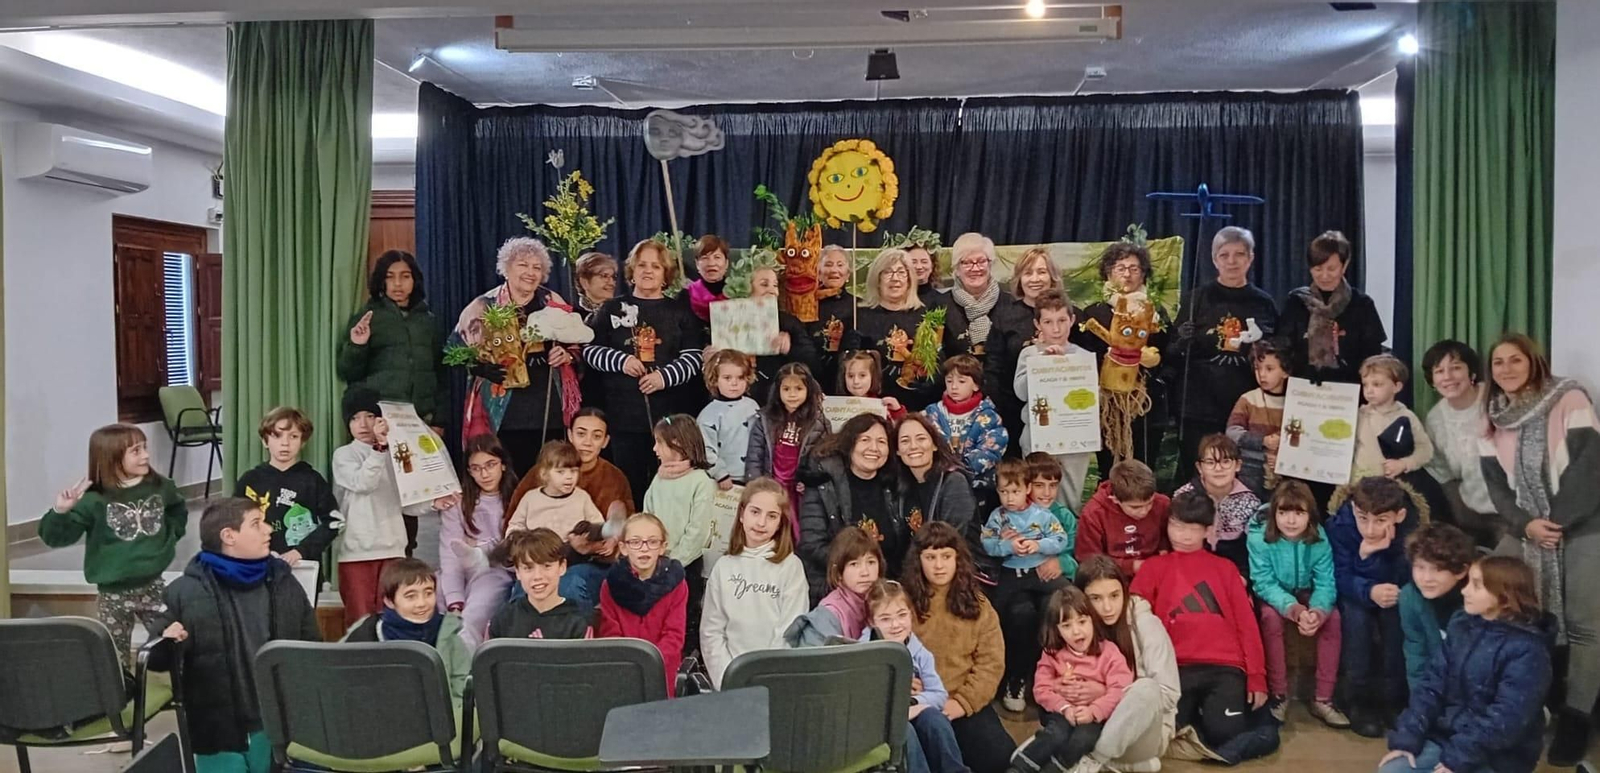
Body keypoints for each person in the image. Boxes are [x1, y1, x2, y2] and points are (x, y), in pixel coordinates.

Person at [1477, 332, 1600, 765]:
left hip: (1583, 521)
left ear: (1534, 362)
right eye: (1498, 363)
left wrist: (1557, 524)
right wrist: (1527, 526)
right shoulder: (1491, 416)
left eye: (1515, 360)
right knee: (1494, 588)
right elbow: (1496, 486)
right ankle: (1525, 698)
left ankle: (1576, 717)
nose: (1506, 369)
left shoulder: (1569, 399)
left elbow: (1589, 467)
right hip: (1528, 524)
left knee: (1586, 622)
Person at [149, 498, 321, 773]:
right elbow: (155, 658)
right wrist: (168, 640)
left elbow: (313, 648)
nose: (268, 530)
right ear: (228, 536)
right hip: (216, 726)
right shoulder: (185, 591)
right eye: (256, 524)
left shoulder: (284, 584)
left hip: (276, 722)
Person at [1380, 557, 1553, 773]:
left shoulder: (1528, 650)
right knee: (1393, 770)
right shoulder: (1461, 625)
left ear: (1504, 596)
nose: (1464, 591)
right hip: (1446, 737)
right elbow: (1431, 686)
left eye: (1476, 585)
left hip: (1499, 756)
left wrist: (1458, 758)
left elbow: (1506, 719)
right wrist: (1407, 737)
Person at [1130, 490, 1267, 757]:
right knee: (1159, 730)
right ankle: (1193, 722)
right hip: (1174, 667)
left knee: (1225, 734)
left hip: (1225, 666)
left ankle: (1208, 725)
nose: (1182, 536)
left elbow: (1246, 624)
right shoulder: (1153, 568)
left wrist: (1256, 677)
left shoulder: (1225, 569)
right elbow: (1135, 621)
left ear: (1207, 531)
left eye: (1192, 529)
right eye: (1176, 526)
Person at [40, 424, 186, 669]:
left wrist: (168, 539)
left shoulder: (161, 486)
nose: (146, 456)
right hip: (113, 595)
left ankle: (180, 691)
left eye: (145, 448)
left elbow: (177, 510)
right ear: (112, 457)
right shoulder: (93, 500)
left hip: (154, 587)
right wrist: (60, 512)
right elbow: (56, 537)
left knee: (173, 643)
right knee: (114, 658)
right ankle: (119, 700)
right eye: (136, 451)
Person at [584, 239, 708, 502]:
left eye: (655, 266)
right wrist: (621, 361)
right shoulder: (610, 309)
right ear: (632, 270)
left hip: (669, 419)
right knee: (630, 487)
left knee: (670, 489)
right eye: (642, 265)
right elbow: (589, 350)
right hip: (623, 418)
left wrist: (664, 377)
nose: (648, 271)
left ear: (666, 273)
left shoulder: (680, 311)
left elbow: (694, 357)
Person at [450, 237, 581, 474]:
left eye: (537, 267)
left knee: (547, 473)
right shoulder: (483, 305)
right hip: (502, 409)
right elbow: (453, 351)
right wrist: (479, 367)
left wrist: (567, 355)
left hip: (547, 406)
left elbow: (577, 344)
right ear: (506, 268)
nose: (530, 272)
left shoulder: (552, 302)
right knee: (505, 475)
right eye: (522, 265)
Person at [1165, 227, 1279, 476]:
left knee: (1244, 475)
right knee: (1198, 474)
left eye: (1239, 254)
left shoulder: (1263, 303)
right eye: (1224, 254)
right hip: (1198, 407)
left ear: (1251, 258)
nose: (1232, 261)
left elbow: (1276, 356)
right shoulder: (1196, 298)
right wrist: (1182, 340)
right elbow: (1171, 352)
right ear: (1214, 259)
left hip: (1246, 407)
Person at [904, 523, 1015, 773]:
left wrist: (963, 703)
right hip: (920, 705)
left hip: (962, 701)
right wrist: (906, 679)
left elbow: (991, 664)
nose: (939, 565)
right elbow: (887, 648)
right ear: (918, 560)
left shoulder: (978, 605)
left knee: (1001, 758)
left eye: (946, 556)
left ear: (958, 559)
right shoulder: (902, 602)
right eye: (930, 557)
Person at [332, 387, 440, 628]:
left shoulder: (397, 453)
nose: (362, 424)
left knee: (393, 620)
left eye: (370, 416)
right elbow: (363, 483)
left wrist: (434, 502)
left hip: (393, 550)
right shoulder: (344, 455)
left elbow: (407, 502)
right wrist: (380, 449)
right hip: (357, 553)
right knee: (360, 624)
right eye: (354, 418)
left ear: (381, 419)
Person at [1246, 480, 1347, 727]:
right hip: (1274, 593)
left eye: (1298, 513)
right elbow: (1263, 582)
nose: (1291, 521)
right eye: (1283, 512)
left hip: (1306, 590)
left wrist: (1318, 611)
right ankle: (1279, 694)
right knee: (1270, 619)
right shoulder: (1259, 537)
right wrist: (1294, 609)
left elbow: (1325, 583)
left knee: (1333, 619)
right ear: (1274, 514)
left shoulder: (1319, 539)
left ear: (1309, 515)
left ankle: (1323, 697)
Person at [1326, 476, 1418, 738]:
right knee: (1357, 622)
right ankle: (1357, 700)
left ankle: (1394, 699)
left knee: (1396, 624)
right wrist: (1366, 559)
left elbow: (1409, 572)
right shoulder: (1340, 527)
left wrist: (1386, 560)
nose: (1369, 529)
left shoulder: (1411, 530)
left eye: (1380, 520)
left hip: (1394, 591)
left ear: (1398, 515)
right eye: (1362, 518)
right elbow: (1339, 574)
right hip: (1354, 591)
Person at [1070, 556, 1181, 772]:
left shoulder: (1146, 623)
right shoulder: (1075, 626)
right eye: (1096, 598)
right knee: (1023, 756)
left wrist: (1105, 693)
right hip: (1089, 725)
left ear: (1125, 592)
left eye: (1114, 595)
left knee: (1147, 688)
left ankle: (1095, 760)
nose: (1108, 607)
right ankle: (1124, 766)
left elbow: (1168, 694)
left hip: (1141, 735)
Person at [1010, 586, 1134, 773]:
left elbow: (1120, 689)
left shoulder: (1109, 652)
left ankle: (1056, 767)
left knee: (1083, 739)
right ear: (1057, 629)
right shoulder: (1052, 654)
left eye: (1082, 622)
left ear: (1093, 621)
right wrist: (1064, 707)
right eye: (1066, 626)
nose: (1076, 631)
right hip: (1059, 712)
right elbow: (1041, 688)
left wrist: (1094, 711)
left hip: (1095, 716)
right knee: (1057, 734)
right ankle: (1022, 766)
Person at [701, 479, 810, 688]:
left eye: (772, 516)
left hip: (776, 679)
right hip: (732, 679)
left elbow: (790, 629)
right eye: (755, 512)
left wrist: (767, 675)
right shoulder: (724, 567)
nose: (761, 523)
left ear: (781, 522)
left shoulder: (790, 567)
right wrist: (728, 678)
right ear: (742, 514)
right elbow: (711, 631)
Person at [1072, 242, 1171, 473]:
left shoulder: (1156, 313)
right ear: (1108, 272)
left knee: (1144, 467)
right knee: (1110, 469)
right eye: (1120, 268)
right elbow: (1086, 356)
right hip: (1108, 406)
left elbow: (1168, 354)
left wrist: (1154, 362)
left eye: (1134, 268)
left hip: (1145, 406)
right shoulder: (1095, 313)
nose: (1127, 274)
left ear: (1144, 274)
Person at [982, 458, 1071, 710]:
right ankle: (1006, 676)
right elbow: (987, 544)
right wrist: (1007, 546)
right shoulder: (997, 517)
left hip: (1040, 572)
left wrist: (1038, 545)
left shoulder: (1042, 515)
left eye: (1015, 491)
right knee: (996, 615)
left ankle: (1065, 671)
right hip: (1011, 574)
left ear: (1027, 489)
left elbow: (1060, 538)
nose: (1009, 498)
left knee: (1069, 600)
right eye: (1004, 492)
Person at [865, 579, 969, 773]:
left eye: (902, 615)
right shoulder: (863, 652)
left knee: (934, 718)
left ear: (910, 615)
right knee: (904, 730)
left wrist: (912, 703)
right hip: (879, 723)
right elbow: (865, 702)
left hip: (911, 710)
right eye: (885, 619)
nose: (896, 624)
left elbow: (938, 694)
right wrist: (899, 712)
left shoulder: (920, 652)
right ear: (872, 622)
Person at [799, 413, 904, 601]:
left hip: (884, 594)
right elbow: (812, 544)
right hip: (833, 590)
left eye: (881, 442)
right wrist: (860, 570)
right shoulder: (823, 482)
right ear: (850, 444)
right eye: (865, 440)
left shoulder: (894, 485)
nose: (874, 448)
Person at [337, 249, 447, 425]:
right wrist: (357, 345)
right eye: (390, 277)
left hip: (422, 419)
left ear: (414, 280)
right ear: (381, 281)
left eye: (405, 276)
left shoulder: (428, 321)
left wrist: (439, 421)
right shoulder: (368, 318)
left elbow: (441, 375)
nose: (397, 283)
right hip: (380, 418)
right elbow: (347, 372)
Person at [943, 233, 1032, 443]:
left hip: (1007, 406)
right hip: (955, 408)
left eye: (981, 261)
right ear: (956, 268)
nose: (975, 268)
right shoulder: (940, 306)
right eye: (967, 262)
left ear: (990, 264)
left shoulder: (1012, 305)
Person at [342, 558, 469, 704]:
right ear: (389, 601)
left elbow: (464, 688)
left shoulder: (449, 634)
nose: (422, 603)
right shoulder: (365, 635)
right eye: (411, 596)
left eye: (428, 593)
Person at [1012, 290, 1092, 510]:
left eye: (1062, 321)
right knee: (1038, 501)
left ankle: (1068, 541)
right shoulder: (1029, 354)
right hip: (1038, 440)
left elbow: (1089, 401)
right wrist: (1043, 365)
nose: (1056, 329)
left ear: (1072, 320)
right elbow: (1020, 392)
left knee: (1070, 502)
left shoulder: (1084, 357)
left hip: (1073, 443)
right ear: (1038, 324)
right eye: (1048, 322)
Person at [1419, 340, 1502, 548]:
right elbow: (1443, 473)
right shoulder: (1435, 419)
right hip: (1470, 516)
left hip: (1513, 514)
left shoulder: (1497, 401)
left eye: (1456, 368)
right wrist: (1461, 517)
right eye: (1439, 371)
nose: (1447, 377)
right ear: (1432, 380)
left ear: (1471, 373)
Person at [1278, 230, 1386, 386]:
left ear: (1345, 265)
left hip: (1349, 391)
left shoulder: (1362, 305)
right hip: (1302, 391)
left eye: (1331, 268)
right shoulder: (1296, 301)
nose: (1324, 276)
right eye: (1318, 269)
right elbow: (1283, 350)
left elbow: (1372, 357)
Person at [438, 435, 517, 649]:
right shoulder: (458, 503)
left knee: (472, 616)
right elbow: (449, 554)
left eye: (490, 465)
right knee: (427, 597)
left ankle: (462, 674)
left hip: (495, 572)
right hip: (460, 572)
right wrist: (454, 599)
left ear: (502, 465)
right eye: (476, 468)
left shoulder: (517, 497)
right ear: (469, 471)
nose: (484, 474)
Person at [986, 247, 1066, 454]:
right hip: (1013, 412)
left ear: (1052, 277)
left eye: (1041, 272)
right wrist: (997, 409)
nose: (1034, 279)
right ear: (1019, 278)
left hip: (1062, 412)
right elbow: (993, 366)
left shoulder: (1068, 314)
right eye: (1028, 273)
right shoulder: (1004, 316)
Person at [235, 407, 339, 568]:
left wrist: (301, 551)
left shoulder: (312, 480)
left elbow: (334, 521)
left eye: (294, 436)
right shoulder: (250, 480)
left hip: (302, 565)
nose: (285, 443)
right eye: (276, 436)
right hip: (259, 565)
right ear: (265, 441)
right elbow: (233, 521)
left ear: (303, 442)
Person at [599, 512, 688, 693]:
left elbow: (674, 635)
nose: (644, 548)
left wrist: (651, 664)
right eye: (635, 541)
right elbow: (610, 635)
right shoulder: (611, 585)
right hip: (624, 670)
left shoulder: (677, 583)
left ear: (663, 547)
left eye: (652, 541)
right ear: (623, 548)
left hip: (663, 672)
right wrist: (631, 666)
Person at [851, 248, 943, 411]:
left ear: (909, 279)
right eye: (888, 272)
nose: (895, 278)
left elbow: (935, 364)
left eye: (901, 272)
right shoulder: (860, 317)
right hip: (873, 407)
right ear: (877, 279)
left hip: (917, 406)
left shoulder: (925, 316)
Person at [507, 407, 632, 519]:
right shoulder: (544, 470)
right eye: (581, 434)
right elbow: (513, 517)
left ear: (605, 441)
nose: (587, 442)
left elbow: (628, 525)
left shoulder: (615, 477)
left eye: (597, 436)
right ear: (570, 435)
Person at [895, 414, 982, 571]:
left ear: (934, 445)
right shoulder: (903, 488)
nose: (913, 446)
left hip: (959, 574)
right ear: (898, 451)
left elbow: (950, 541)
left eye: (921, 438)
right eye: (905, 441)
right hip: (920, 574)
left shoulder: (954, 481)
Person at [745, 362, 830, 517]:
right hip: (770, 486)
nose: (792, 394)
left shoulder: (818, 422)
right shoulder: (765, 419)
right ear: (777, 391)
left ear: (809, 390)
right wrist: (756, 486)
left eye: (798, 389)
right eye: (786, 389)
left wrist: (809, 481)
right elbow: (754, 456)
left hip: (798, 490)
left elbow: (822, 458)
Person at [1398, 523, 1474, 692]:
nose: (1426, 578)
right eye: (1420, 567)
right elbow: (1416, 653)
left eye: (1437, 569)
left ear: (1461, 571)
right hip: (1437, 687)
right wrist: (1420, 702)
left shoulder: (1477, 601)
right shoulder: (1410, 597)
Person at [1171, 434, 1260, 576]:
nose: (1218, 469)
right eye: (1210, 462)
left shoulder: (1251, 501)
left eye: (1226, 461)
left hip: (1234, 571)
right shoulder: (1183, 496)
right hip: (1190, 568)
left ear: (1237, 465)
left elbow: (1254, 550)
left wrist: (1243, 577)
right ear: (1199, 467)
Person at [643, 415, 716, 581]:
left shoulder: (700, 481)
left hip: (686, 566)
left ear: (677, 443)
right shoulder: (659, 478)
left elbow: (698, 530)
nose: (655, 449)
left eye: (659, 442)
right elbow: (647, 516)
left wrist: (674, 562)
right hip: (656, 562)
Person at [487, 528, 594, 640]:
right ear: (518, 572)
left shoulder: (578, 622)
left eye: (547, 566)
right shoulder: (504, 618)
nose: (537, 576)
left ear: (562, 567)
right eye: (528, 568)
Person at [786, 527, 883, 646]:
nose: (865, 572)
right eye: (854, 564)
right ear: (839, 572)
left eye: (871, 562)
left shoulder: (888, 600)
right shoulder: (827, 616)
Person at [925, 354, 1009, 493]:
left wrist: (961, 468)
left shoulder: (989, 416)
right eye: (949, 381)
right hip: (938, 484)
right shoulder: (933, 413)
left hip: (976, 487)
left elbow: (991, 450)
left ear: (976, 385)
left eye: (961, 381)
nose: (954, 386)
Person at [742, 262, 821, 405]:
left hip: (778, 401)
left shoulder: (789, 323)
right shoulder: (732, 320)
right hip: (739, 398)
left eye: (775, 285)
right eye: (764, 284)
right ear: (748, 289)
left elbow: (813, 363)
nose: (772, 290)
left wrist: (790, 348)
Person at [1075, 461, 1170, 577]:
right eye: (1135, 507)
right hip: (1112, 576)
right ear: (1114, 499)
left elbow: (1168, 537)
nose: (1144, 511)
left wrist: (1164, 549)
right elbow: (1088, 559)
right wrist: (1131, 566)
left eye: (1150, 503)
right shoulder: (1093, 514)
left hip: (1157, 571)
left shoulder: (1163, 504)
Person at [1352, 354, 1436, 482]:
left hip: (1393, 485)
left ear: (1397, 387)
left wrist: (1404, 464)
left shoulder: (1406, 417)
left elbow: (1425, 449)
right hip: (1360, 483)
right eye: (1365, 384)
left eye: (1377, 384)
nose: (1369, 390)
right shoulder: (1357, 415)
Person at [1226, 338, 1289, 496]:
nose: (1262, 375)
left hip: (1284, 471)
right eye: (1257, 368)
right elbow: (1232, 432)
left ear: (1285, 371)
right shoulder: (1248, 399)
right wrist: (1263, 441)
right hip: (1250, 469)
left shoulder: (1295, 402)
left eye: (1269, 369)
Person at [505, 441, 603, 537]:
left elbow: (598, 524)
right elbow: (515, 526)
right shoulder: (530, 498)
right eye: (561, 472)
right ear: (544, 474)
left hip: (572, 549)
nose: (569, 477)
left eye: (574, 471)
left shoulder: (582, 497)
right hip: (538, 550)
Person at [697, 349, 760, 490]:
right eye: (727, 378)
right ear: (715, 379)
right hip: (726, 479)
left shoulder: (753, 406)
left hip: (753, 475)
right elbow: (705, 449)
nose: (734, 383)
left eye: (740, 378)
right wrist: (720, 474)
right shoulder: (708, 415)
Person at [811, 244, 858, 388]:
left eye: (840, 265)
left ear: (848, 274)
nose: (834, 270)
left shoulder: (858, 305)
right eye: (828, 264)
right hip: (811, 375)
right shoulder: (806, 304)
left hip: (848, 379)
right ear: (818, 272)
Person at [1025, 453, 1077, 581]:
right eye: (1039, 485)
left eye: (1053, 485)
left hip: (1056, 580)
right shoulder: (1012, 514)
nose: (1047, 493)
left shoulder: (1065, 517)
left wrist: (1061, 563)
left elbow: (1075, 558)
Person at [840, 349, 907, 419]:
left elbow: (905, 427)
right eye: (850, 376)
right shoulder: (836, 405)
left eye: (862, 375)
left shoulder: (885, 406)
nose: (856, 381)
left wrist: (897, 411)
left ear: (872, 376)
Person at [686, 234, 731, 322]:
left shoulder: (738, 293)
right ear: (697, 264)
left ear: (726, 263)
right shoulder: (687, 295)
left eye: (717, 257)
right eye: (705, 258)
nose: (711, 263)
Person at [573, 251, 619, 317]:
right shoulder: (573, 316)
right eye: (604, 276)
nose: (612, 283)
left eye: (613, 277)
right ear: (584, 282)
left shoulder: (622, 313)